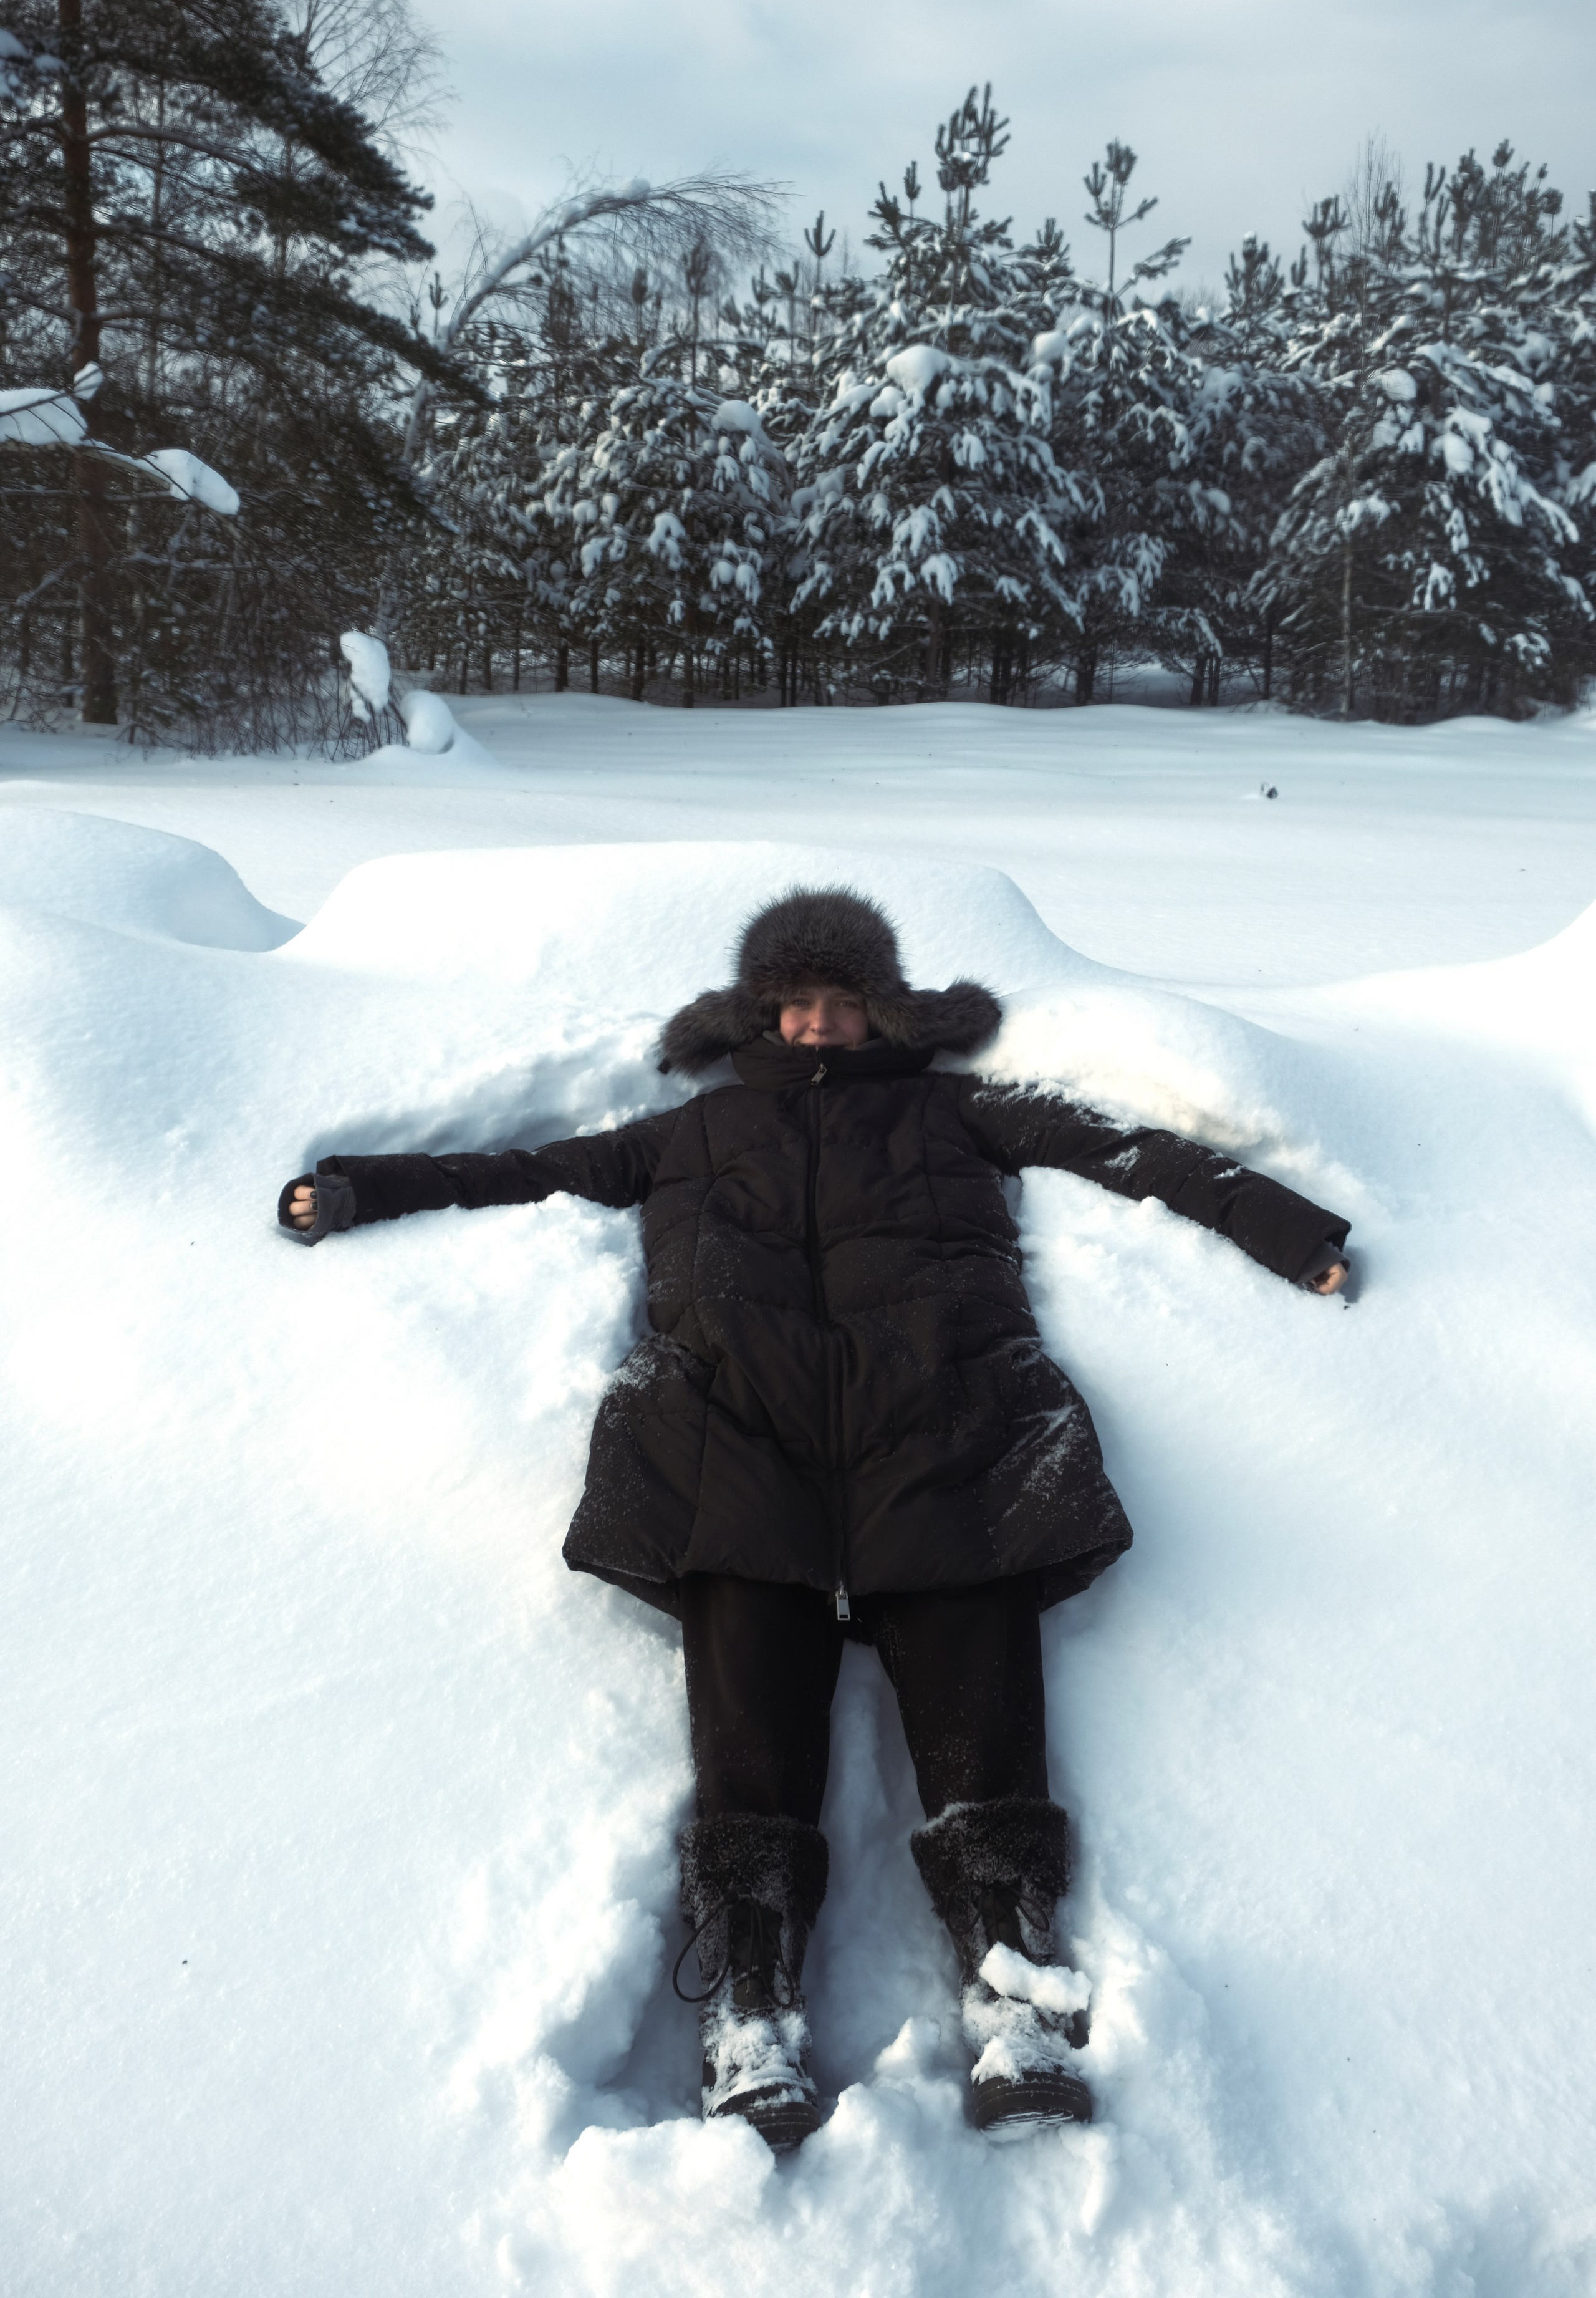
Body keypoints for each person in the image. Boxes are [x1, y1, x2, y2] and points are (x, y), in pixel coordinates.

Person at [279, 887, 1350, 2151]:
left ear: (880, 1012)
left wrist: (1291, 1235)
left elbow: (1130, 1151)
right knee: (747, 1743)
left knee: (983, 1722)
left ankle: (1015, 1999)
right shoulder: (694, 1131)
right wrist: (354, 1191)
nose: (820, 1025)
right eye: (798, 1004)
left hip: (945, 1440)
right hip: (738, 1455)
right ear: (761, 1013)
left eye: (842, 1004)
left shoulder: (955, 1111)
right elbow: (523, 1170)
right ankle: (751, 2013)